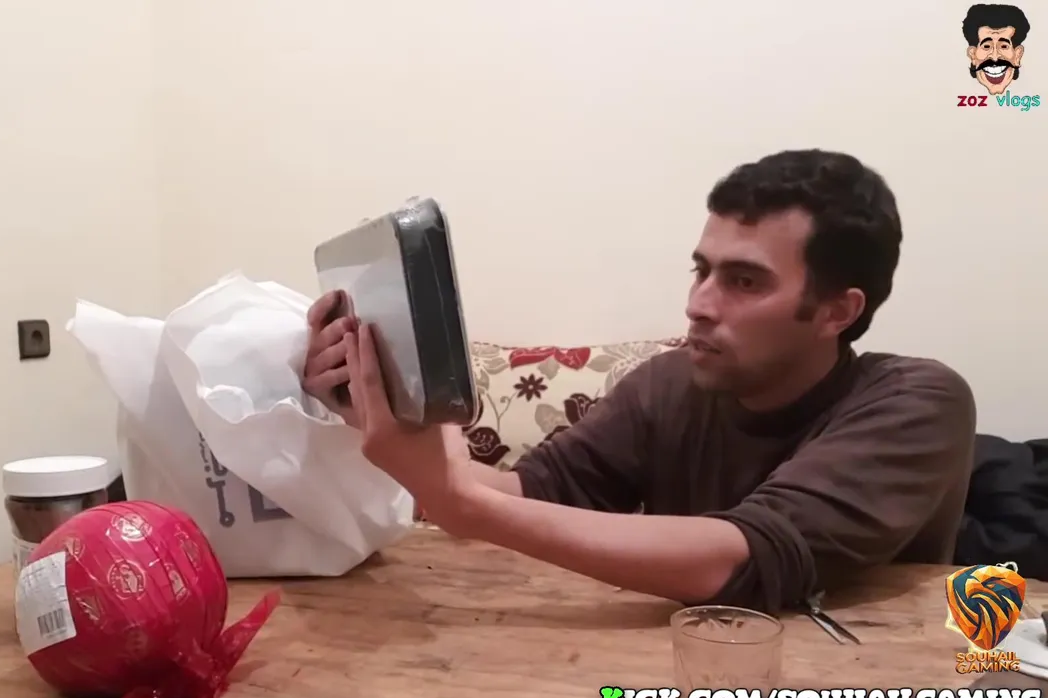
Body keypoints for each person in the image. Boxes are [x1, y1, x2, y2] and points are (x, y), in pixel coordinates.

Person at [301, 149, 977, 615]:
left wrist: (458, 504)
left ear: (837, 312)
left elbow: (734, 560)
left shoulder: (918, 403)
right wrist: (378, 404)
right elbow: (519, 496)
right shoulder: (670, 383)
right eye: (702, 270)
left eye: (744, 281)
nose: (699, 304)